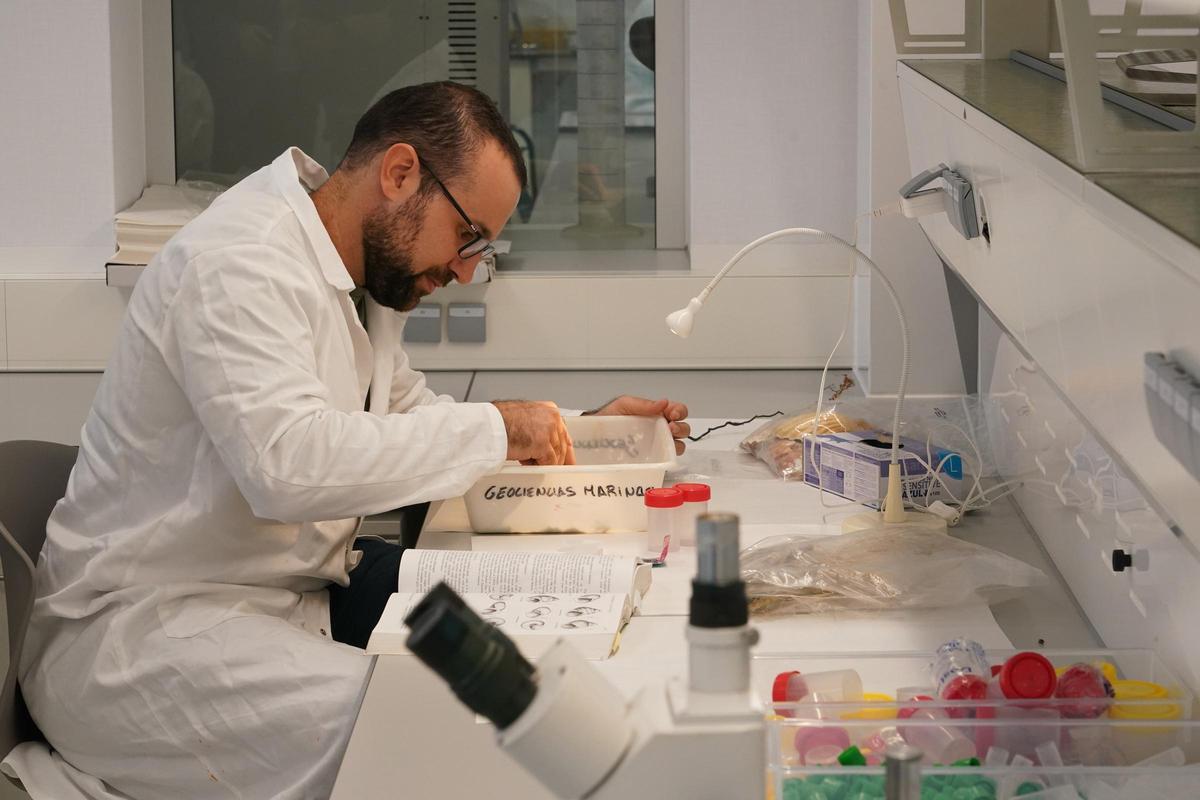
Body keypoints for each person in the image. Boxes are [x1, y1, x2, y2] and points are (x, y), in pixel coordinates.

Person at [18, 81, 689, 800]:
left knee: (555, 645)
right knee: (434, 729)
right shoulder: (238, 262)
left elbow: (411, 421)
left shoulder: (355, 278)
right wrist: (501, 426)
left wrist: (586, 434)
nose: (465, 269)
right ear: (400, 174)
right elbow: (286, 465)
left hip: (281, 595)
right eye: (468, 237)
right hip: (142, 640)